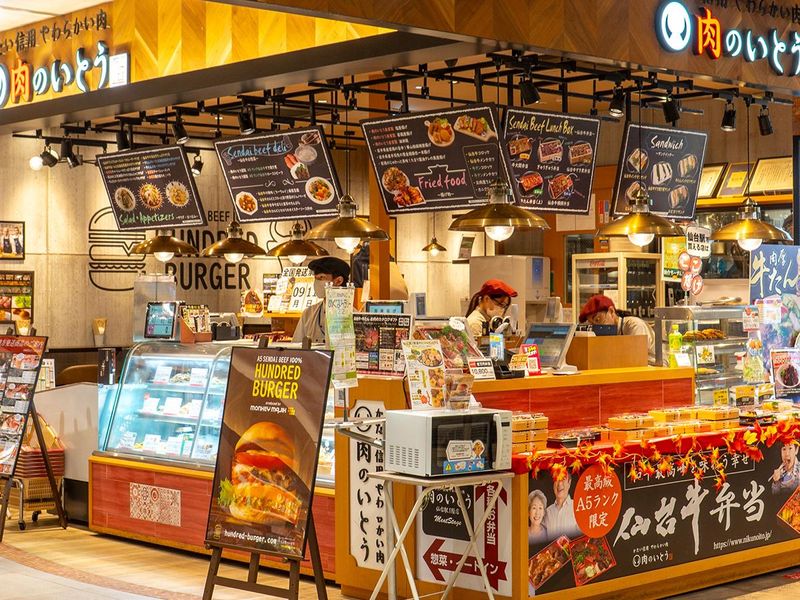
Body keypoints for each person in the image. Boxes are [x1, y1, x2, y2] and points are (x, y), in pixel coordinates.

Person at [578, 294, 656, 365]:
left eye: (598, 320)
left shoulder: (634, 325)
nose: (597, 327)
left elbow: (635, 360)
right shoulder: (611, 333)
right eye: (592, 324)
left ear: (611, 311)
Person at [292, 256, 350, 344]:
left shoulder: (352, 315)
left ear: (339, 281)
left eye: (321, 277)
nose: (316, 282)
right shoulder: (308, 313)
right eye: (315, 278)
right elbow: (296, 347)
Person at [543, 471, 580, 540]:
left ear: (569, 483)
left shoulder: (578, 507)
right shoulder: (546, 513)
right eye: (556, 480)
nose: (559, 483)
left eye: (563, 479)